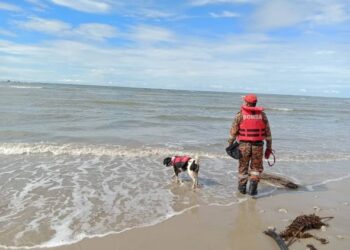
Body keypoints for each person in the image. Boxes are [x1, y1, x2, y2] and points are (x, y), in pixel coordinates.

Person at [228, 94, 272, 196]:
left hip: (243, 146)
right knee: (256, 169)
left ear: (247, 103)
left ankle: (242, 190)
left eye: (244, 101)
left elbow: (233, 133)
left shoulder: (240, 115)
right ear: (255, 103)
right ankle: (253, 190)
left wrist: (230, 144)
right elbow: (268, 134)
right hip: (258, 146)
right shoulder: (263, 115)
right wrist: (269, 147)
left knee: (242, 168)